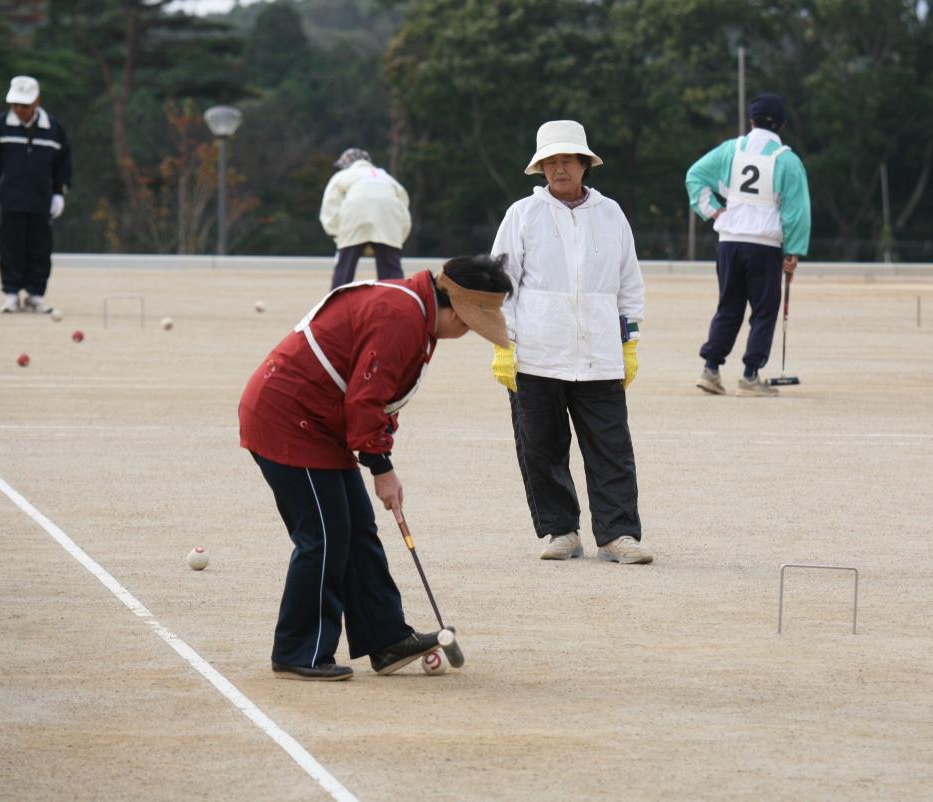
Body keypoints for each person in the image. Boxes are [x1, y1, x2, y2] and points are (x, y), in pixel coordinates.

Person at [239, 255, 513, 680]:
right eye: (471, 324)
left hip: (321, 422)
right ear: (455, 307)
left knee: (357, 528)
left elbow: (382, 396)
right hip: (289, 419)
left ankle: (385, 640)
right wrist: (381, 467)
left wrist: (379, 455)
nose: (468, 334)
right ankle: (298, 652)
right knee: (325, 536)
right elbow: (364, 401)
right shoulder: (400, 315)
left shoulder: (419, 315)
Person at [490, 119, 652, 565]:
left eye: (568, 160)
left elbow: (629, 283)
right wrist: (504, 345)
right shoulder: (522, 215)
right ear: (541, 167)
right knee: (540, 446)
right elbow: (500, 284)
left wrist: (630, 342)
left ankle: (619, 534)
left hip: (600, 353)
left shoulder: (611, 213)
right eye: (551, 161)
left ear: (585, 164)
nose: (560, 169)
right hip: (536, 353)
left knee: (611, 446)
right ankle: (561, 530)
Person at [685, 92, 810, 396]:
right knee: (764, 311)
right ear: (781, 125)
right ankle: (751, 374)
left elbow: (694, 176)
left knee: (729, 306)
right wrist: (793, 251)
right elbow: (797, 212)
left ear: (751, 121)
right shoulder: (788, 161)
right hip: (765, 245)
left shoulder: (731, 149)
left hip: (729, 242)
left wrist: (713, 210)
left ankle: (711, 369)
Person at [0, 75, 72, 314]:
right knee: (11, 247)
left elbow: (63, 164)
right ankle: (11, 294)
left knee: (40, 249)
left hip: (41, 200)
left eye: (25, 104)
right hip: (9, 199)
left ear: (37, 101)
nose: (19, 109)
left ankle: (35, 295)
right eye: (15, 104)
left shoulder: (53, 128)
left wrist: (59, 193)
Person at [318, 148, 411, 289]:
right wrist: (396, 237)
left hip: (354, 214)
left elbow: (330, 205)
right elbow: (403, 206)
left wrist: (338, 233)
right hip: (388, 217)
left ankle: (336, 304)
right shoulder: (385, 176)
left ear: (347, 163)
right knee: (391, 269)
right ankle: (398, 302)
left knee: (345, 267)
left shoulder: (344, 175)